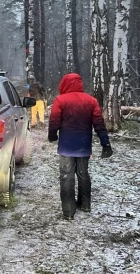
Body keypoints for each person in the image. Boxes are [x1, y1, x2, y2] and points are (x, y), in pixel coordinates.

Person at [48, 73, 113, 220]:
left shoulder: (60, 100)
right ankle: (85, 204)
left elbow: (54, 122)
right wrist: (105, 143)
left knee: (66, 176)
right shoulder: (91, 101)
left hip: (66, 146)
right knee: (83, 174)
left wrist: (52, 136)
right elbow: (99, 124)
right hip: (83, 146)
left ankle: (69, 211)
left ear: (64, 84)